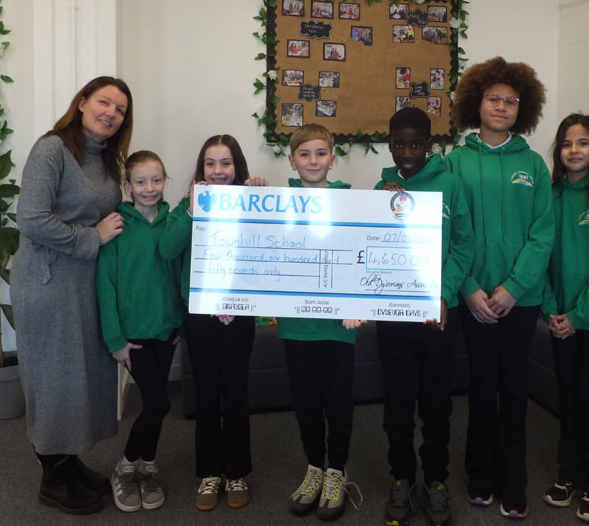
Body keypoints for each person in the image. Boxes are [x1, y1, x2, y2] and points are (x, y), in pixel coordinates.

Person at [11, 76, 133, 515]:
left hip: (84, 282)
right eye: (104, 102)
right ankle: (52, 478)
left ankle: (68, 462)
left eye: (120, 109)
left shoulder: (105, 158)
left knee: (79, 377)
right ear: (82, 102)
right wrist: (91, 237)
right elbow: (31, 218)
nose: (111, 113)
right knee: (53, 378)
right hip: (47, 282)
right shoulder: (52, 149)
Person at [445, 57, 553, 520]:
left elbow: (543, 234)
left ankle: (513, 481)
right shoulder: (454, 163)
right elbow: (449, 233)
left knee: (514, 389)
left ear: (522, 109)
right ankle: (479, 476)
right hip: (473, 299)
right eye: (494, 98)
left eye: (511, 101)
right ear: (477, 102)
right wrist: (469, 288)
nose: (502, 106)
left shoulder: (534, 165)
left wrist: (513, 287)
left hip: (520, 300)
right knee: (481, 386)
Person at [374, 108, 474, 526]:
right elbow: (372, 250)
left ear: (430, 145)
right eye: (399, 144)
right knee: (397, 404)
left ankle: (436, 480)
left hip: (437, 318)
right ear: (390, 144)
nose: (407, 152)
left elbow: (464, 246)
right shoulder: (382, 189)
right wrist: (385, 205)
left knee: (436, 406)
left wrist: (443, 295)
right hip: (393, 319)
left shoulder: (449, 184)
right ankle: (401, 478)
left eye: (416, 144)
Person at [158, 134, 266, 512]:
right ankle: (209, 472)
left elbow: (268, 249)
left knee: (235, 392)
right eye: (210, 163)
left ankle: (236, 472)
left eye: (225, 163)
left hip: (239, 312)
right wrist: (192, 210)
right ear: (201, 168)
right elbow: (167, 249)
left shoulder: (253, 201)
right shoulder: (186, 204)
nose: (218, 170)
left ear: (237, 167)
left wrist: (263, 196)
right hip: (200, 312)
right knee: (206, 392)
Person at [281, 124, 364, 521]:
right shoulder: (278, 203)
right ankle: (314, 467)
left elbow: (362, 254)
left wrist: (358, 302)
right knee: (306, 402)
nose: (313, 161)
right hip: (296, 326)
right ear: (292, 160)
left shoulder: (352, 202)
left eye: (320, 153)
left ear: (332, 159)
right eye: (304, 154)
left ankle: (337, 472)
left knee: (339, 402)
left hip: (339, 327)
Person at [540, 114, 589, 524]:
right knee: (567, 398)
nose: (574, 150)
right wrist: (553, 311)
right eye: (568, 143)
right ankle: (568, 474)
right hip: (559, 318)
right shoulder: (549, 196)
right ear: (559, 150)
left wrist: (578, 314)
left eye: (583, 142)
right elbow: (540, 257)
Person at [97, 150, 184, 513]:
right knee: (160, 403)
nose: (149, 188)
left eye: (156, 180)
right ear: (128, 184)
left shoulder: (173, 222)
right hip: (133, 337)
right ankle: (125, 466)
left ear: (165, 181)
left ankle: (148, 467)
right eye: (141, 181)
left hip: (166, 330)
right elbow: (105, 286)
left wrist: (180, 322)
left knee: (154, 405)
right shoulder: (117, 226)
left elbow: (181, 273)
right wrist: (115, 340)